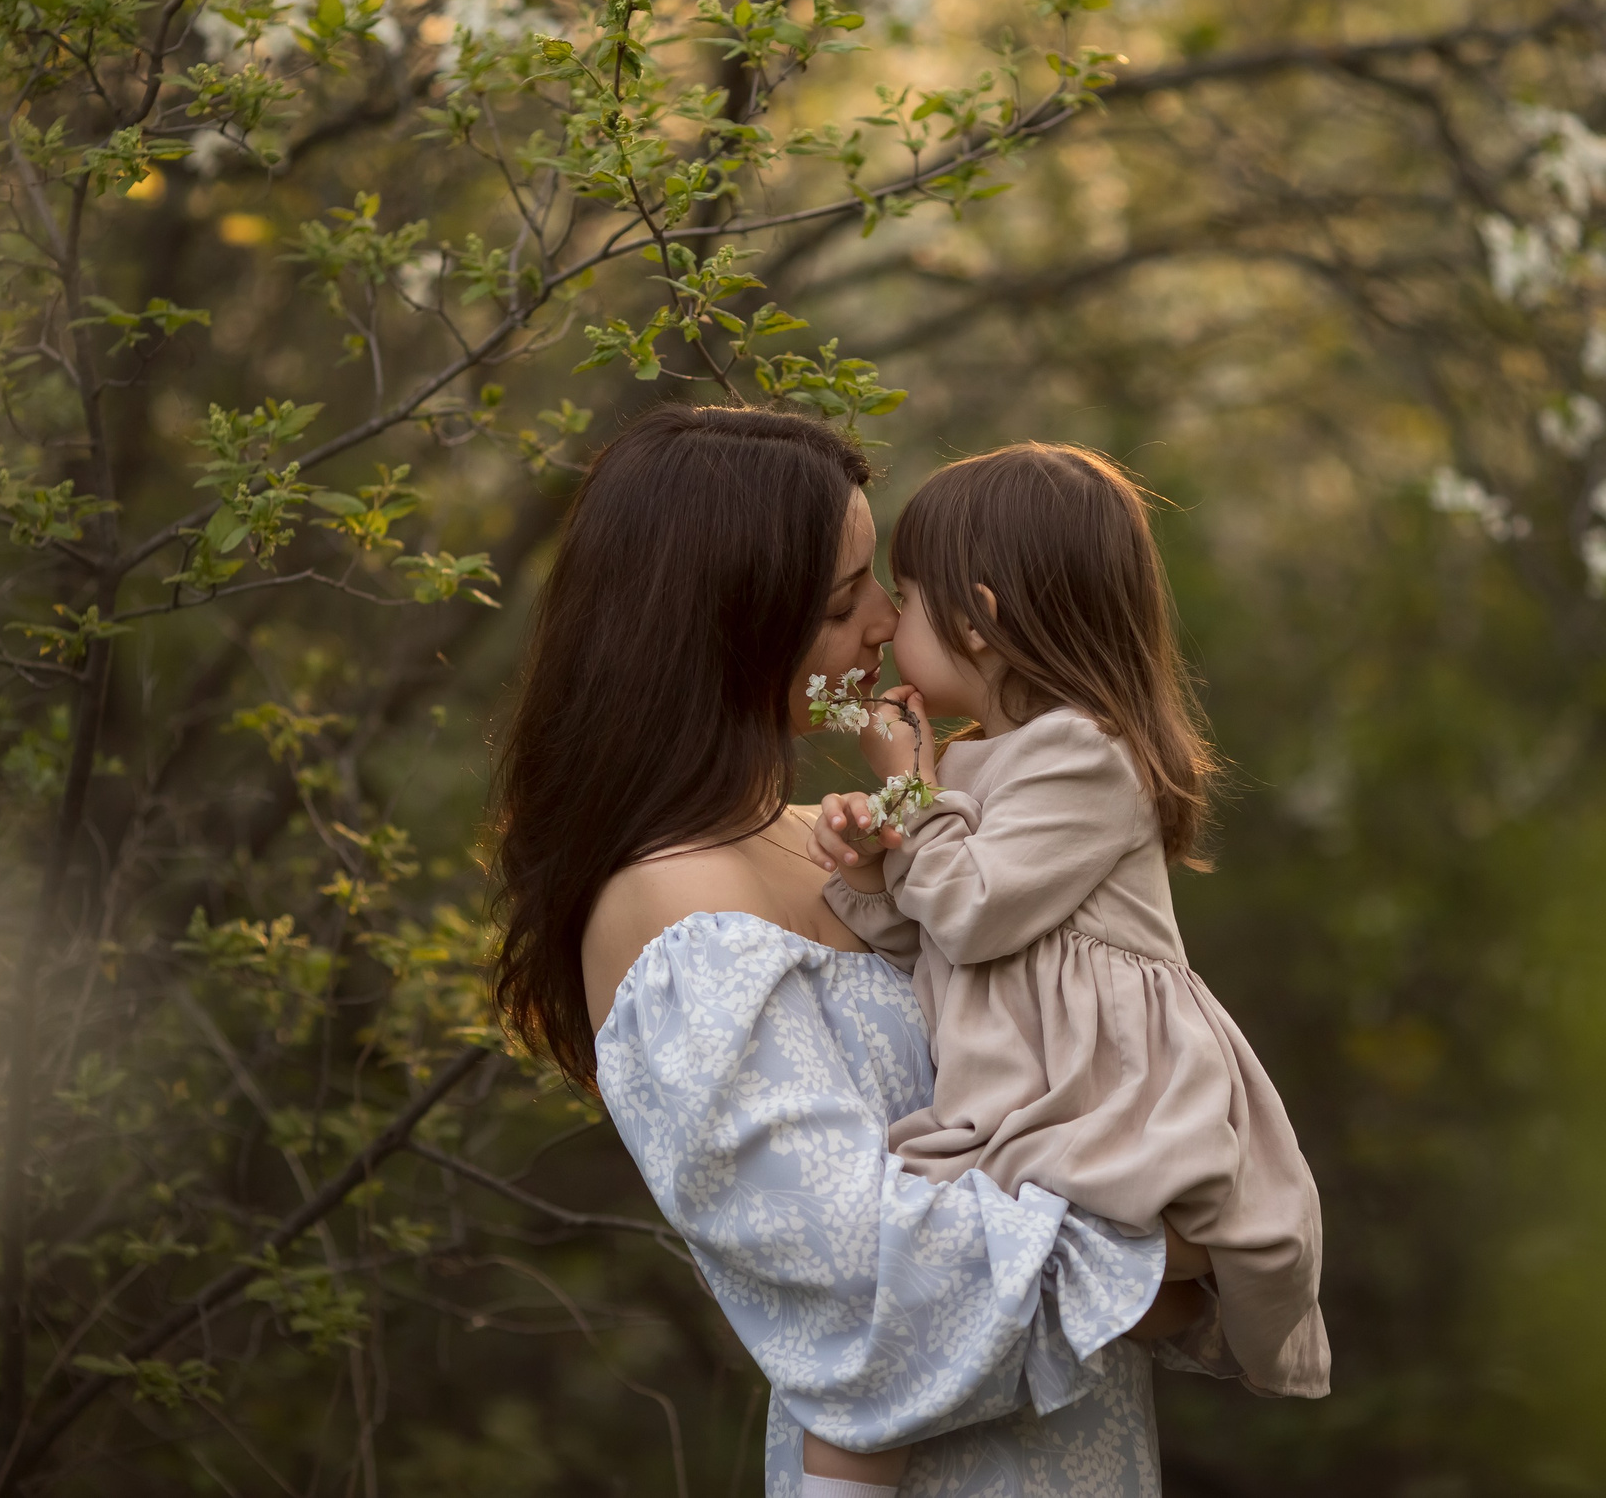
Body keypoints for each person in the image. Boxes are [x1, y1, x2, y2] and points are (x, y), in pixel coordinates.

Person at [493, 406, 1216, 1498]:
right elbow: (864, 1291)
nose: (886, 622)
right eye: (845, 600)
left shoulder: (841, 842)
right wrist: (1156, 1262)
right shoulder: (677, 914)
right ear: (725, 630)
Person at [803, 443, 1332, 1489]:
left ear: (980, 620)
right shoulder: (965, 760)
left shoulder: (1082, 753)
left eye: (904, 598)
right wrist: (871, 860)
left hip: (1099, 1086)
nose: (885, 625)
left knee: (917, 1274)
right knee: (920, 1275)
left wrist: (907, 787)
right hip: (1019, 1082)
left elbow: (976, 907)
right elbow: (934, 929)